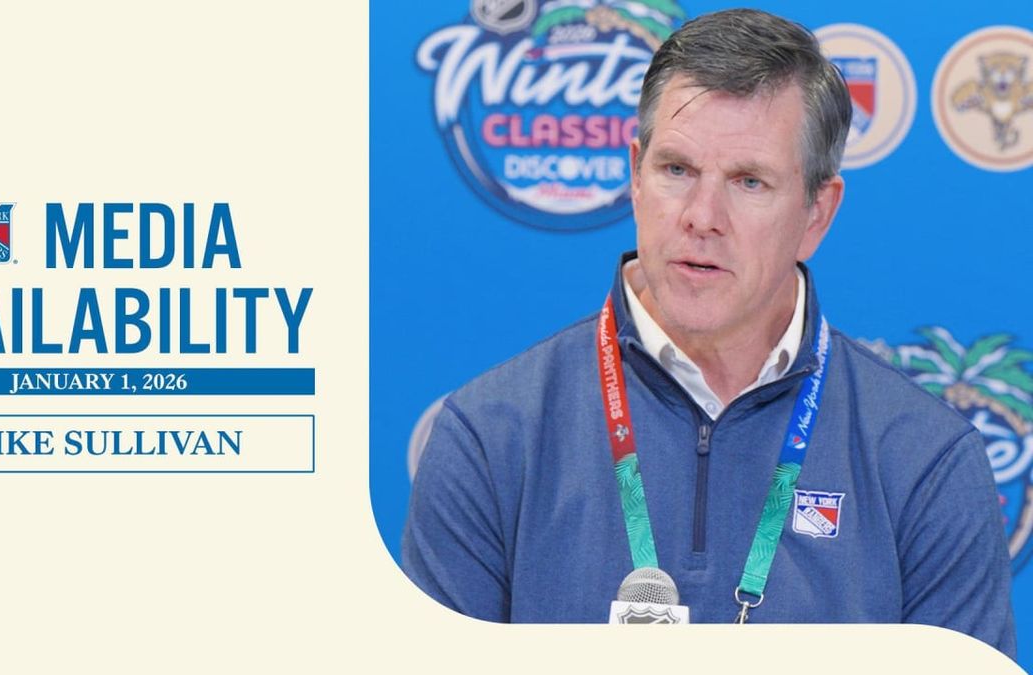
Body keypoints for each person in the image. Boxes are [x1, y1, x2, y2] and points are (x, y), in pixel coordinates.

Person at [401, 8, 1016, 658]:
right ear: (635, 177)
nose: (702, 216)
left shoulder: (924, 460)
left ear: (817, 212)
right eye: (677, 170)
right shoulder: (491, 437)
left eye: (749, 181)